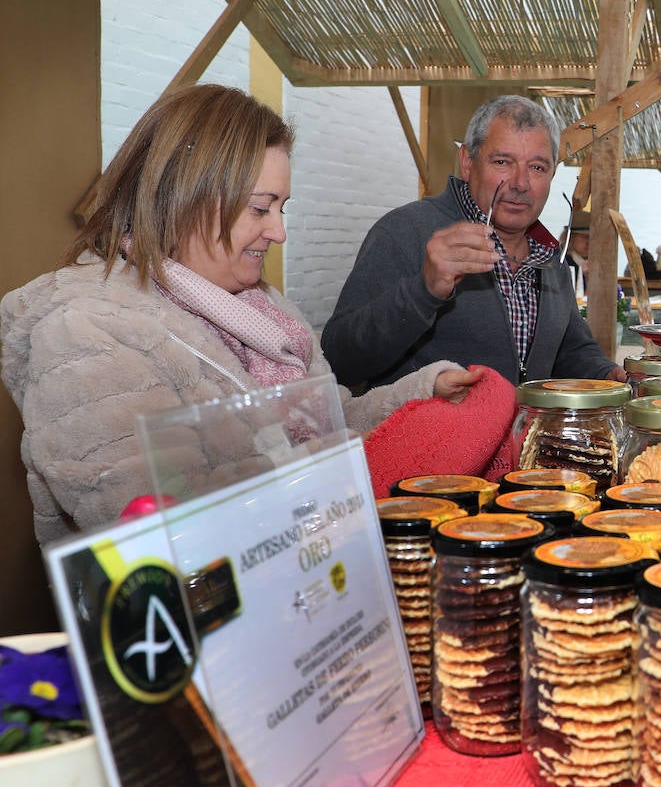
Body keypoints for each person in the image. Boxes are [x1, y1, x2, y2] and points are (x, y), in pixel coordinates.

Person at [0, 84, 480, 545]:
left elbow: (331, 417)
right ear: (182, 199)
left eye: (282, 209)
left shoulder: (264, 310)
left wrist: (420, 394)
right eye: (259, 208)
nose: (278, 232)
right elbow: (159, 524)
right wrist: (340, 462)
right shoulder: (86, 333)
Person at [321, 95, 625, 388]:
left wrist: (607, 375)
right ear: (467, 162)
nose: (520, 184)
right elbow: (339, 361)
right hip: (425, 440)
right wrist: (422, 291)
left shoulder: (548, 254)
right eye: (503, 162)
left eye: (537, 167)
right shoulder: (405, 232)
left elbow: (568, 348)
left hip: (525, 438)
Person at [562, 206, 591, 297]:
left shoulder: (597, 263)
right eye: (585, 237)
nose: (589, 242)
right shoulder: (560, 261)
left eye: (593, 237)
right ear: (571, 237)